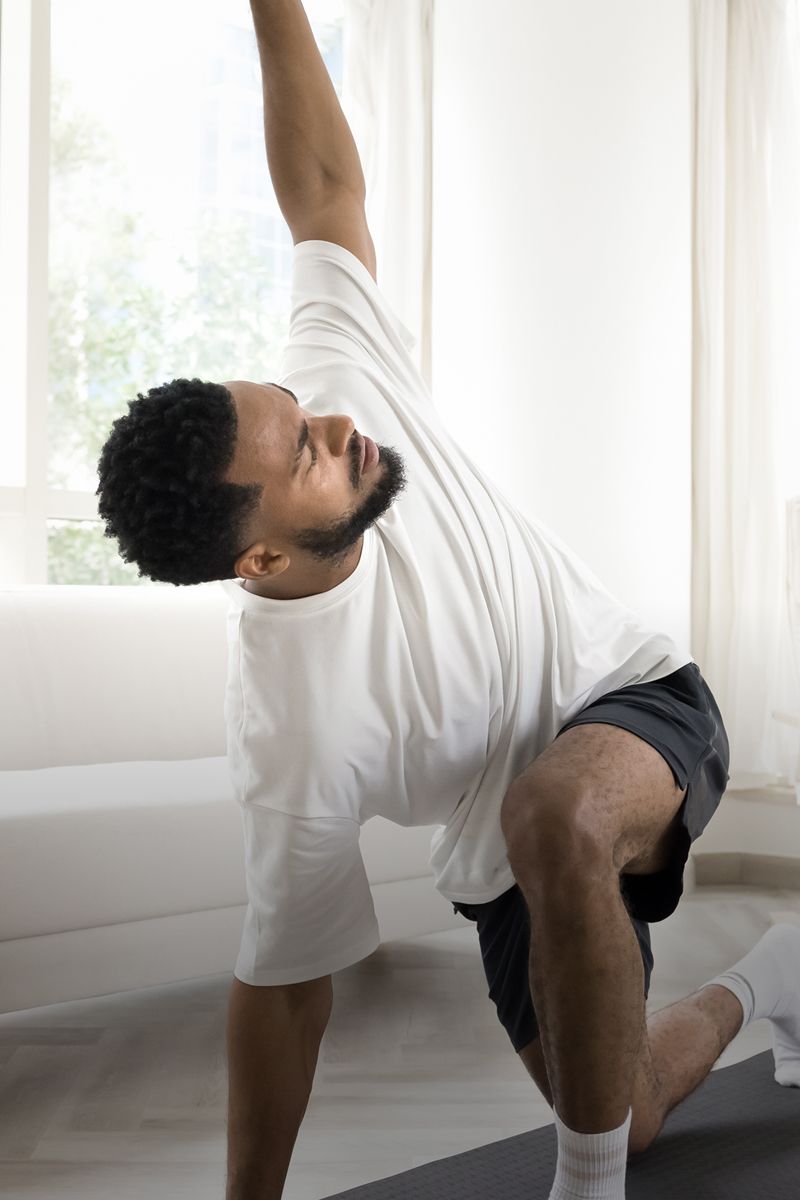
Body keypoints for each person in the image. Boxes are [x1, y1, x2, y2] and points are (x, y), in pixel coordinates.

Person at [94, 3, 800, 1199]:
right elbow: (283, 987)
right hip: (505, 867)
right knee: (619, 1116)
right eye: (303, 454)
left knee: (553, 816)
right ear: (257, 561)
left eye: (295, 400)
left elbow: (322, 189)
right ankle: (767, 983)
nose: (335, 423)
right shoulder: (291, 731)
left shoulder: (345, 379)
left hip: (634, 700)